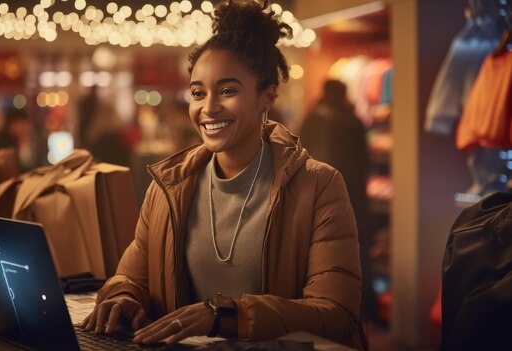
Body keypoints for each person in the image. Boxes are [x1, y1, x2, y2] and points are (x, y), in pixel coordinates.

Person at [81, 1, 365, 349]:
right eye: (198, 93)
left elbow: (337, 313)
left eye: (228, 91)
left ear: (267, 96)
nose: (208, 107)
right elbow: (131, 276)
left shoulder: (318, 185)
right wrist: (122, 297)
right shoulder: (170, 186)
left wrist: (227, 315)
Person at [299, 79, 375, 321]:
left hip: (316, 196)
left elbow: (300, 158)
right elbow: (365, 161)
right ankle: (361, 309)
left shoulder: (312, 118)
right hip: (354, 197)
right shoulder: (353, 121)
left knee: (320, 255)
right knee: (356, 251)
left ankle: (324, 311)